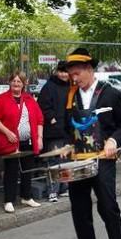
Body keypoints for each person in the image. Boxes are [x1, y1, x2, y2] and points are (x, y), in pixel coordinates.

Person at [63, 48, 121, 239]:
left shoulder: (110, 93)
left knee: (108, 206)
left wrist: (113, 140)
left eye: (77, 73)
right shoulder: (70, 97)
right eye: (71, 74)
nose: (73, 78)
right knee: (79, 208)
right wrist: (66, 144)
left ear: (90, 69)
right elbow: (67, 128)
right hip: (78, 160)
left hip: (103, 158)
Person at [0, 71, 44, 213]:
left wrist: (39, 138)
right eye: (13, 80)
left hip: (28, 140)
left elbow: (40, 119)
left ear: (24, 84)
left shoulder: (29, 99)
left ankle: (27, 197)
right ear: (9, 82)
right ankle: (8, 200)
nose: (16, 83)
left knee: (27, 170)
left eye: (19, 81)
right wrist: (7, 132)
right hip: (11, 142)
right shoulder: (2, 99)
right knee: (11, 171)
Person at [37, 60, 72, 202]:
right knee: (53, 161)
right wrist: (52, 119)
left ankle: (64, 188)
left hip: (68, 130)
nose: (64, 75)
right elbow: (43, 105)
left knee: (66, 160)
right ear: (57, 71)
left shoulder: (71, 86)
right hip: (54, 131)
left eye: (66, 72)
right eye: (61, 72)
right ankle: (52, 191)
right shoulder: (49, 86)